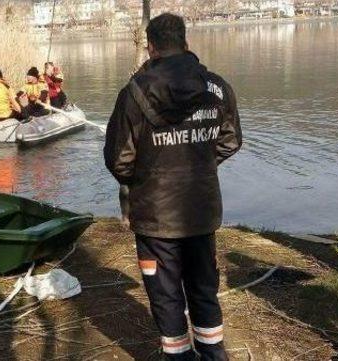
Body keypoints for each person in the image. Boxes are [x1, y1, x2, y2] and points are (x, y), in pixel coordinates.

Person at [104, 13, 242, 361]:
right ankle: (214, 355)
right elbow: (230, 141)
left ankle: (179, 356)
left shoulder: (133, 93)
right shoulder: (218, 87)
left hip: (155, 215)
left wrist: (147, 178)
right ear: (186, 42)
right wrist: (199, 166)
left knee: (165, 295)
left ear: (150, 48)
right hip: (201, 210)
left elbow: (119, 158)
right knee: (203, 288)